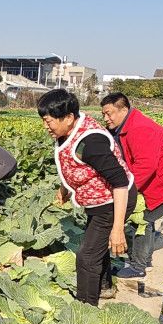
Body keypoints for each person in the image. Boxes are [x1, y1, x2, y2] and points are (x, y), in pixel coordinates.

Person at [38, 89, 136, 306]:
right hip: (99, 200)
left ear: (69, 118)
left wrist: (118, 228)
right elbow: (71, 163)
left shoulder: (90, 143)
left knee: (87, 256)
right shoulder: (68, 132)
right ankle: (105, 287)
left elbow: (119, 183)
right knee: (96, 247)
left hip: (114, 201)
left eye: (49, 121)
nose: (46, 126)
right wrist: (65, 188)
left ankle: (86, 309)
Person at [100, 92, 163, 278]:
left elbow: (146, 165)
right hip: (158, 181)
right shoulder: (124, 126)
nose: (106, 118)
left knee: (142, 218)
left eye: (109, 113)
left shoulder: (140, 129)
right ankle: (147, 256)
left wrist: (126, 191)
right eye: (103, 114)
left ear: (123, 110)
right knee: (145, 218)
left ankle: (138, 266)